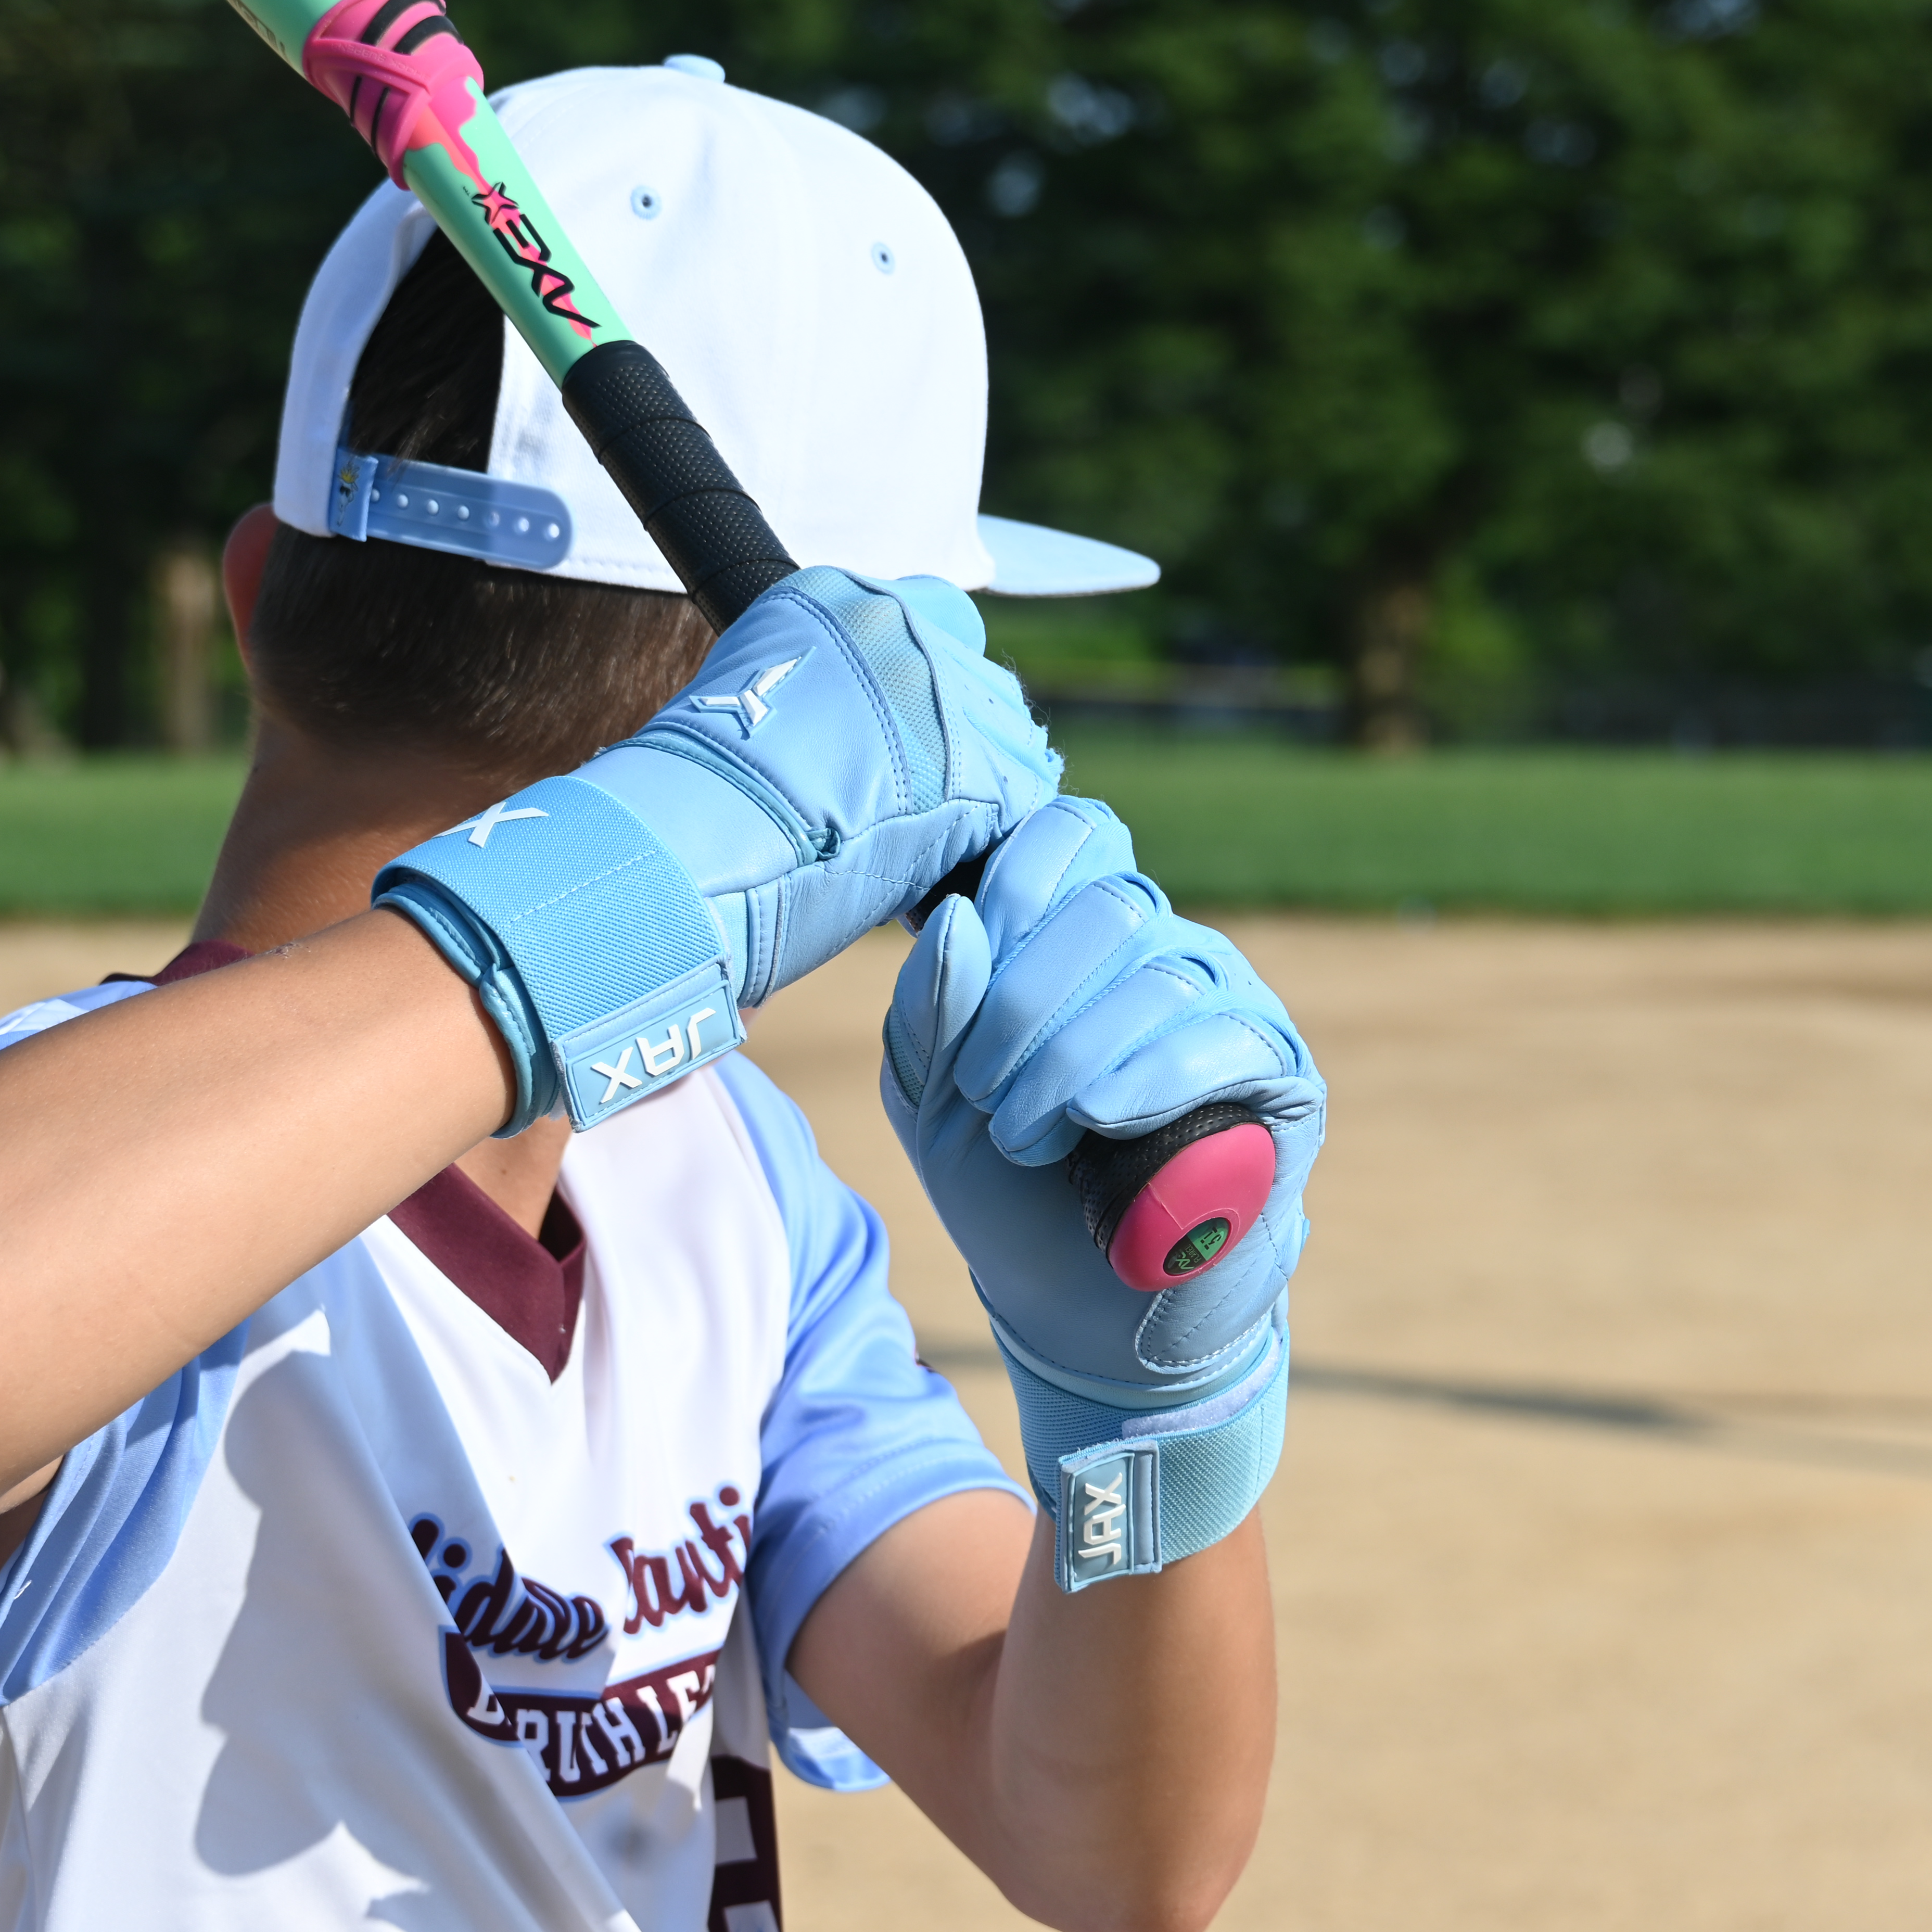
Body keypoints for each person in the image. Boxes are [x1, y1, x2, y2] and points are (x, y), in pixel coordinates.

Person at [0, 60, 1325, 1932]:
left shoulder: (722, 1189)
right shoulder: (89, 1181)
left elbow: (1114, 1853)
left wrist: (1155, 1434)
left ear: (254, 587)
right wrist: (621, 901)